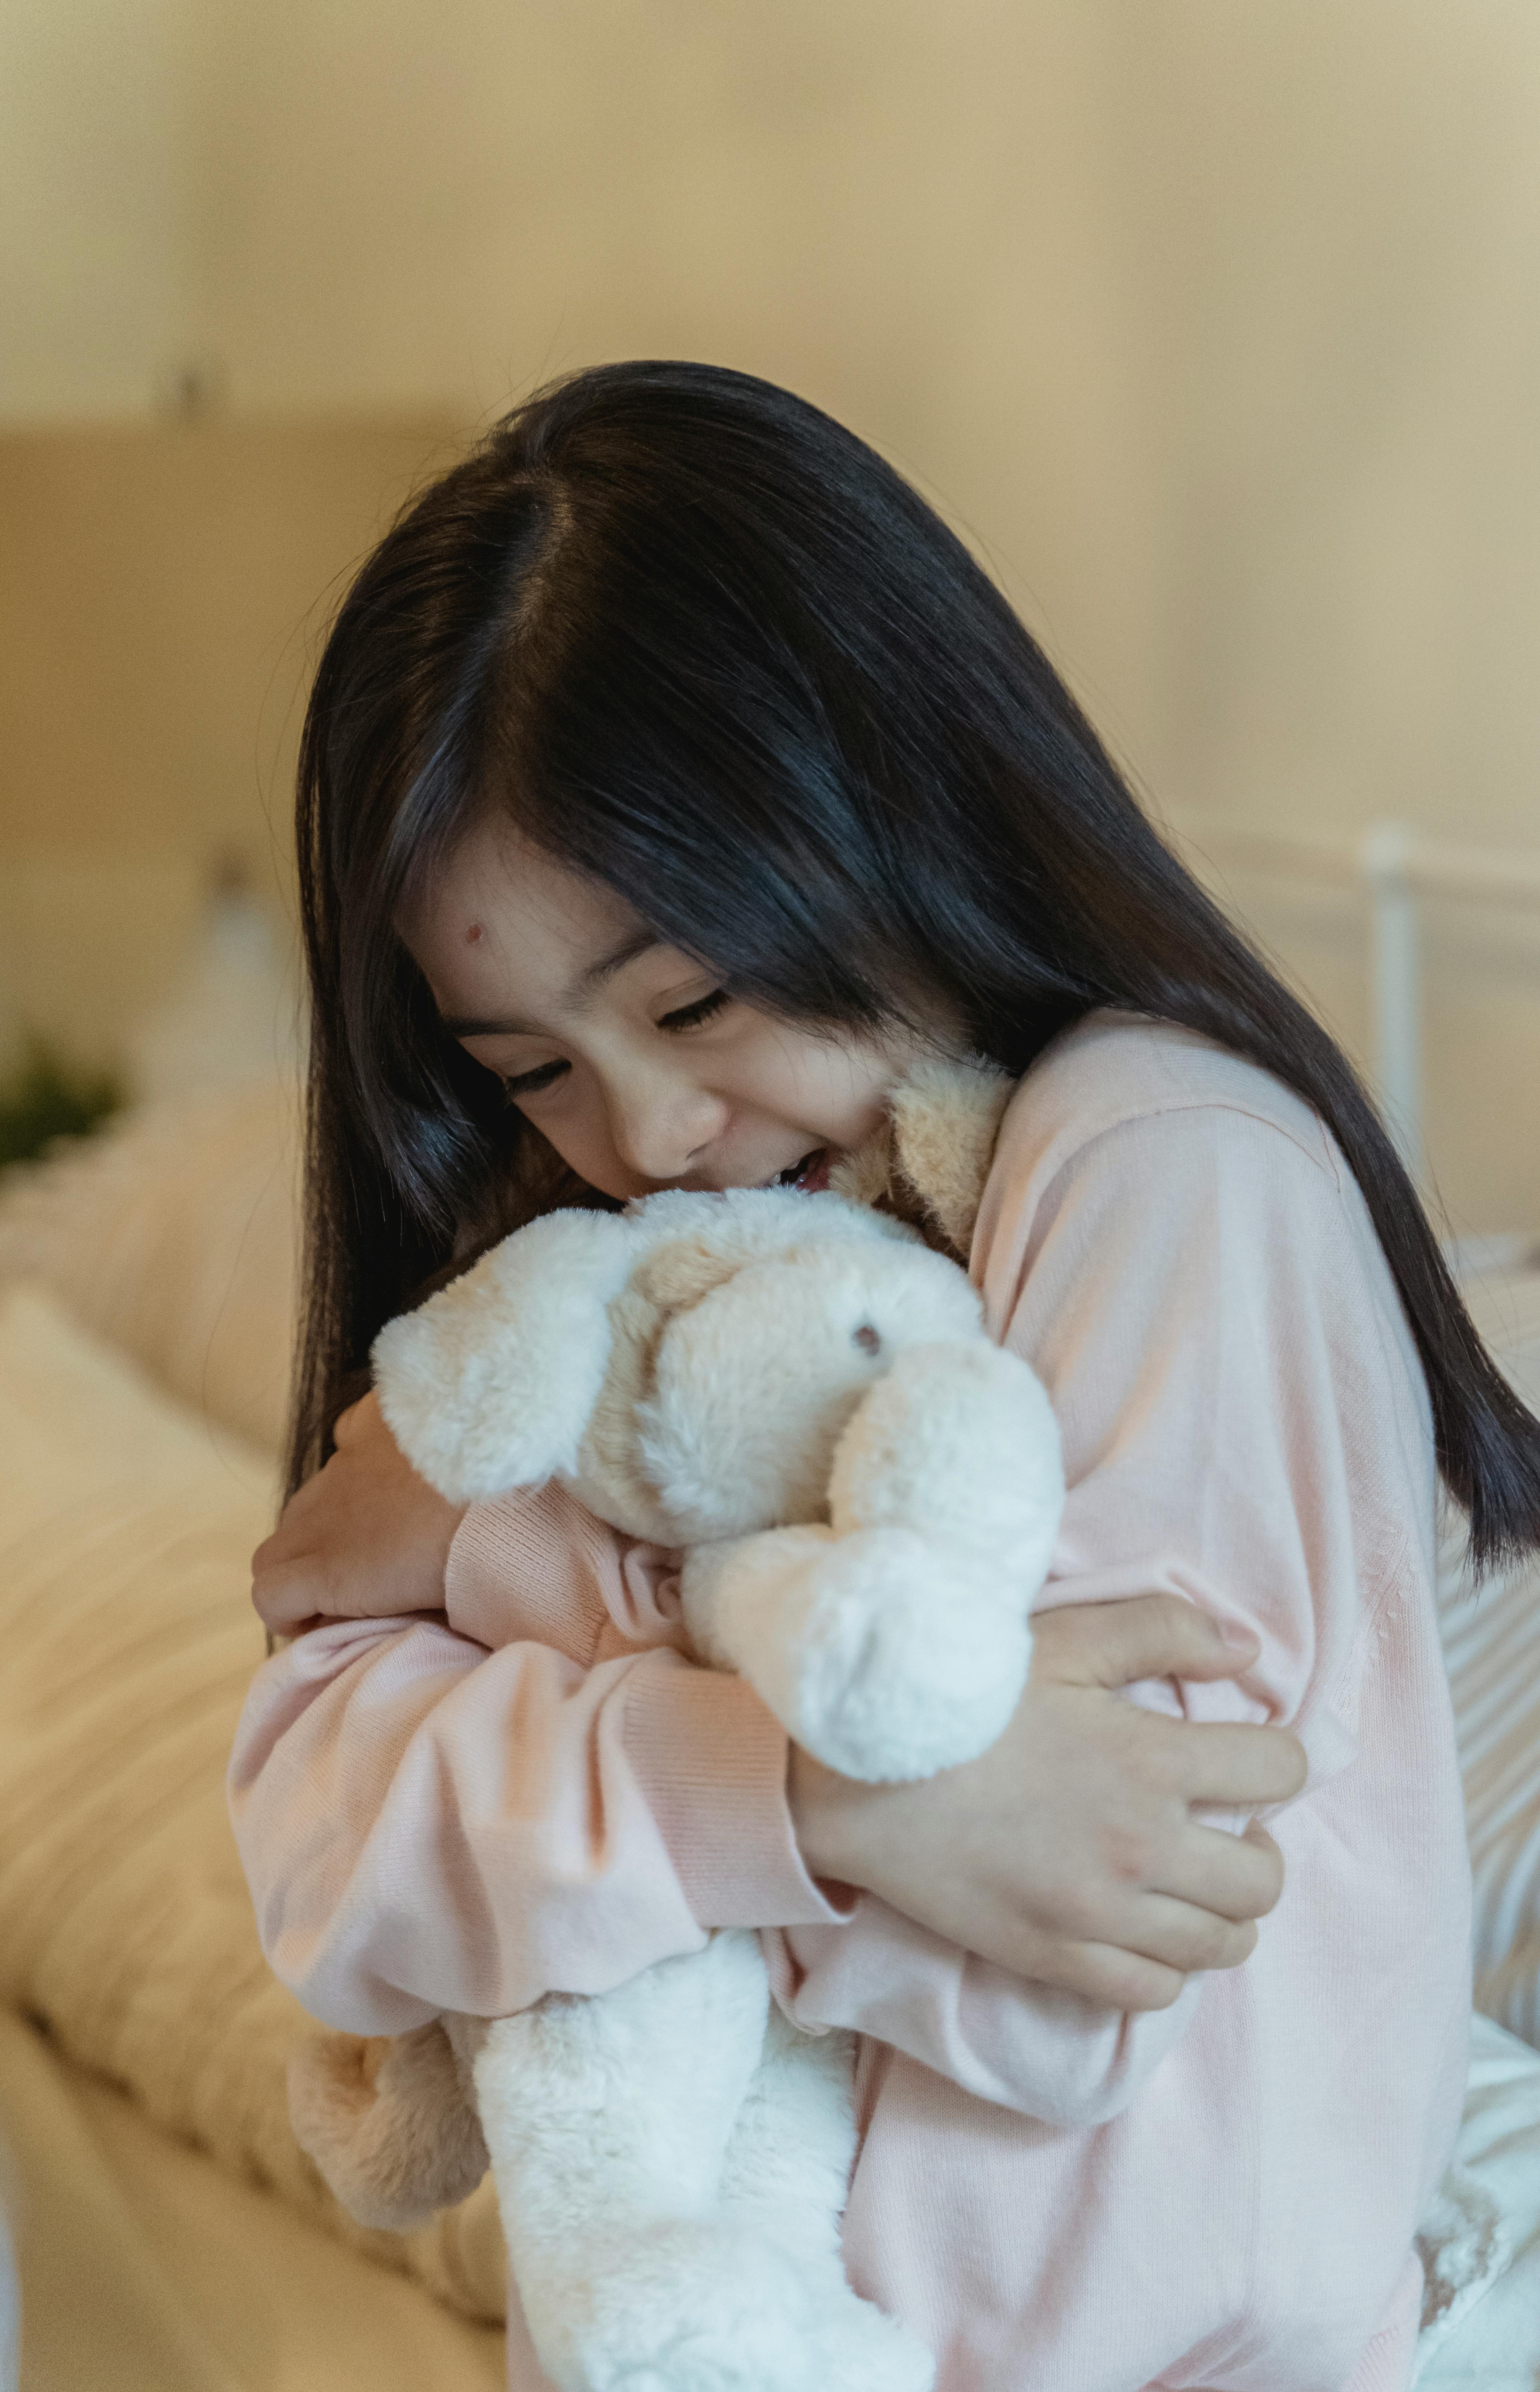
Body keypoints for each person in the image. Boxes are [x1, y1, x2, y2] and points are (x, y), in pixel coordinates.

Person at [229, 362, 1523, 2389]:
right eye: (533, 1065)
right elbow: (325, 1866)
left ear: (894, 812)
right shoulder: (572, 1262)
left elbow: (1079, 1951)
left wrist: (498, 1553)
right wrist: (790, 1793)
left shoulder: (1164, 1161)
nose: (649, 1135)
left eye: (694, 1000)